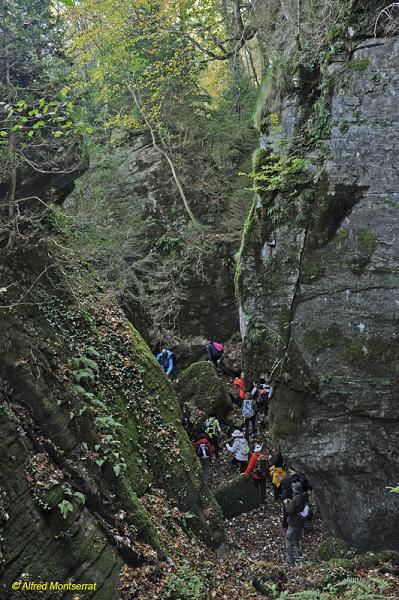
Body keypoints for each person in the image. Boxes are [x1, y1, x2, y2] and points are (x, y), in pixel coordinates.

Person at [284, 481, 307, 566]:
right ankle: (299, 558)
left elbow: (289, 510)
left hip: (293, 522)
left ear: (295, 489)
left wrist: (287, 504)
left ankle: (290, 561)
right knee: (298, 540)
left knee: (289, 540)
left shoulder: (296, 499)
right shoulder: (303, 496)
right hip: (301, 522)